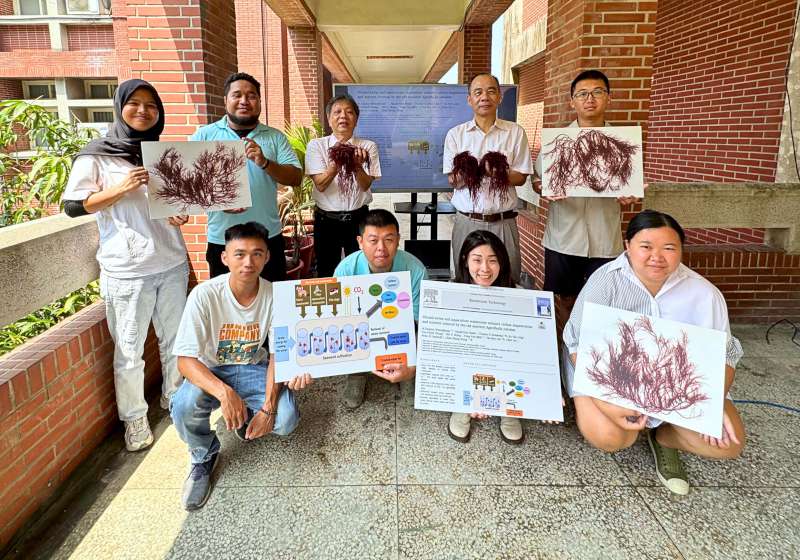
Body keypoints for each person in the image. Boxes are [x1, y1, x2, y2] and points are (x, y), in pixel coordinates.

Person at [563, 210, 745, 495]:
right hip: (609, 378)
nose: (656, 257)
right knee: (611, 437)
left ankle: (665, 438)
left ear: (681, 250)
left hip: (676, 387)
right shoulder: (605, 281)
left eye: (669, 248)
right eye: (646, 247)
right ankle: (632, 424)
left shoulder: (705, 294)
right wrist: (606, 401)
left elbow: (725, 355)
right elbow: (576, 342)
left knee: (728, 443)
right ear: (628, 246)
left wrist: (713, 403)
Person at [62, 79, 189, 452]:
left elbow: (172, 204)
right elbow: (72, 206)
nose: (143, 111)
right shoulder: (96, 155)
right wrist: (120, 188)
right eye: (135, 104)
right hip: (126, 270)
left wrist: (177, 216)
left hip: (171, 262)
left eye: (151, 105)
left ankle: (174, 398)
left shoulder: (162, 153)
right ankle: (134, 418)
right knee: (130, 350)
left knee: (175, 340)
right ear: (119, 107)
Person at [170, 222, 312, 511]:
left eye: (257, 254)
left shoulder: (275, 296)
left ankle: (246, 418)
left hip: (253, 368)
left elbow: (278, 355)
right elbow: (185, 360)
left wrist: (268, 407)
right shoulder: (204, 295)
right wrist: (224, 393)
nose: (248, 262)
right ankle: (203, 454)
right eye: (240, 254)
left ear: (267, 257)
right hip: (212, 369)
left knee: (285, 419)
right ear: (224, 258)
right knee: (183, 407)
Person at [534, 69, 639, 335]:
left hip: (605, 238)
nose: (589, 99)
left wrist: (631, 192)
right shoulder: (557, 142)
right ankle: (563, 351)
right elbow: (538, 181)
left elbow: (631, 183)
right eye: (582, 94)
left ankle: (592, 354)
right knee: (562, 299)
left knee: (601, 301)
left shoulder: (624, 143)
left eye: (597, 92)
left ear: (608, 98)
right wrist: (543, 188)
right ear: (572, 101)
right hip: (563, 237)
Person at [191, 72, 303, 282]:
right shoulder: (204, 136)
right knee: (227, 306)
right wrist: (214, 200)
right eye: (237, 95)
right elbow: (187, 183)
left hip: (267, 237)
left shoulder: (274, 136)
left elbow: (296, 177)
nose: (244, 101)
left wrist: (265, 163)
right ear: (226, 100)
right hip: (222, 240)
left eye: (251, 96)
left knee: (272, 302)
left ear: (259, 101)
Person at [443, 73, 533, 284]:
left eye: (491, 91)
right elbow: (453, 180)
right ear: (469, 99)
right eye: (478, 92)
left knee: (507, 279)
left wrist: (496, 172)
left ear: (499, 97)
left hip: (503, 222)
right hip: (467, 221)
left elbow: (520, 177)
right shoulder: (456, 134)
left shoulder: (515, 132)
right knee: (463, 279)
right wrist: (472, 171)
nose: (484, 97)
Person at [333, 209, 428, 408]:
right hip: (361, 330)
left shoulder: (416, 270)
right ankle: (357, 373)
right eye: (373, 240)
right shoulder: (345, 270)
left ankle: (407, 372)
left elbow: (421, 321)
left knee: (416, 329)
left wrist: (413, 362)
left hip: (401, 330)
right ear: (360, 241)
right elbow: (338, 318)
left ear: (399, 240)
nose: (381, 248)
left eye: (389, 239)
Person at [446, 230, 525, 444]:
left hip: (501, 364)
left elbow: (525, 348)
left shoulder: (518, 295)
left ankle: (510, 411)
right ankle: (462, 406)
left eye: (493, 261)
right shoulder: (450, 294)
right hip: (467, 362)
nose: (485, 269)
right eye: (477, 260)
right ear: (465, 261)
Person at [306, 94, 381, 277]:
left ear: (356, 119)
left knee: (361, 269)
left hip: (359, 218)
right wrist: (339, 159)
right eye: (337, 112)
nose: (343, 117)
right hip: (326, 221)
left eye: (349, 112)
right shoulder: (317, 146)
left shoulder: (368, 147)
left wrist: (355, 165)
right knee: (326, 270)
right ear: (329, 119)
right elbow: (321, 185)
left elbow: (365, 185)